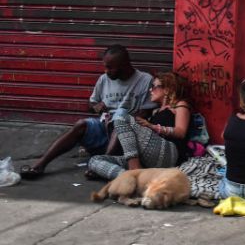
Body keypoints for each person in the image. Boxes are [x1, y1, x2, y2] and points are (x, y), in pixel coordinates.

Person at [20, 44, 155, 179]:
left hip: (126, 136)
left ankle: (102, 165)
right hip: (104, 129)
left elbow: (147, 112)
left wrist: (120, 119)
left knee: (120, 118)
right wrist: (96, 106)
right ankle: (40, 165)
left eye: (110, 67)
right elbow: (91, 103)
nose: (106, 71)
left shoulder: (145, 80)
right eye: (105, 66)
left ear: (124, 65)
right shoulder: (104, 79)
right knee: (81, 124)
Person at [86, 72, 191, 180]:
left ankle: (134, 168)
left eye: (154, 87)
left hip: (169, 153)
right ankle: (131, 178)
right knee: (95, 160)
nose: (150, 90)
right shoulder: (156, 110)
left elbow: (181, 132)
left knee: (121, 116)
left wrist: (152, 126)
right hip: (147, 157)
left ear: (167, 89)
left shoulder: (180, 105)